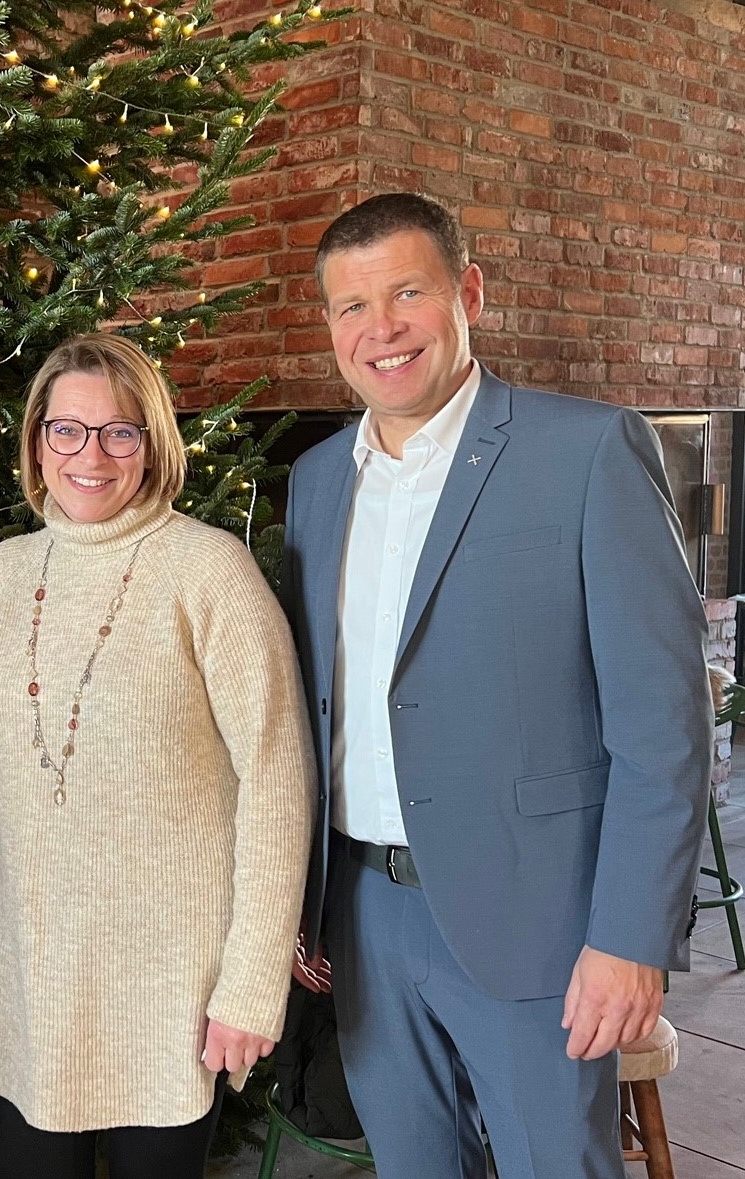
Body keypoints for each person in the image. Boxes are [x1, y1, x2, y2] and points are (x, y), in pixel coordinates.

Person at [282, 192, 712, 1178]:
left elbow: (663, 730)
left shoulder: (585, 451)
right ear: (328, 327)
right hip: (361, 917)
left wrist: (628, 938)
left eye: (405, 293)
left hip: (540, 922)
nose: (378, 329)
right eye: (350, 306)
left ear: (466, 292)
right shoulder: (314, 481)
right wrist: (300, 908)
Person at [0, 334, 315, 1179]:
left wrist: (251, 985)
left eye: (120, 432)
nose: (91, 455)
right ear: (36, 441)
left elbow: (277, 783)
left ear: (152, 442)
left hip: (166, 988)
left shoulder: (209, 570)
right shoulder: (1, 573)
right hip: (27, 976)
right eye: (66, 430)